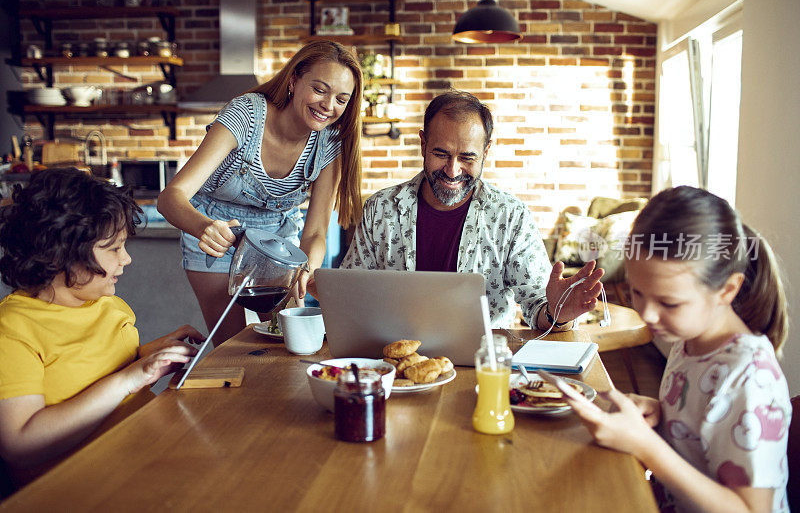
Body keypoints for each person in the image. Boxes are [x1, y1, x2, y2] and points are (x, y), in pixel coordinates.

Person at [566, 186, 791, 512]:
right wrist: (662, 414)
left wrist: (645, 446)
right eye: (637, 293)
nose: (647, 314)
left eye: (669, 302)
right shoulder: (690, 341)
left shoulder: (750, 377)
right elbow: (707, 425)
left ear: (727, 290)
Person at [0, 168, 204, 490]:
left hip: (146, 454)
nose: (126, 259)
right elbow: (20, 446)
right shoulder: (13, 329)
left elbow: (93, 367)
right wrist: (132, 378)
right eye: (113, 249)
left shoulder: (108, 305)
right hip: (82, 486)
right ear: (60, 254)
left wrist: (152, 357)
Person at [338, 90, 602, 329]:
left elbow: (539, 308)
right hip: (395, 360)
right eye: (441, 154)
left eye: (467, 157)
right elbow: (350, 295)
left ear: (486, 152)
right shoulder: (379, 209)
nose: (452, 171)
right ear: (423, 144)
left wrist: (558, 313)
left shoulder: (511, 216)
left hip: (484, 365)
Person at [157, 39, 363, 345]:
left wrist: (308, 266)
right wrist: (205, 228)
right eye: (320, 89)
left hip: (278, 242)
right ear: (294, 80)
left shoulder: (331, 141)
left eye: (341, 99)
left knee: (291, 342)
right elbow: (170, 197)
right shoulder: (246, 116)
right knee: (233, 346)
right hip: (218, 236)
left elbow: (317, 229)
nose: (328, 106)